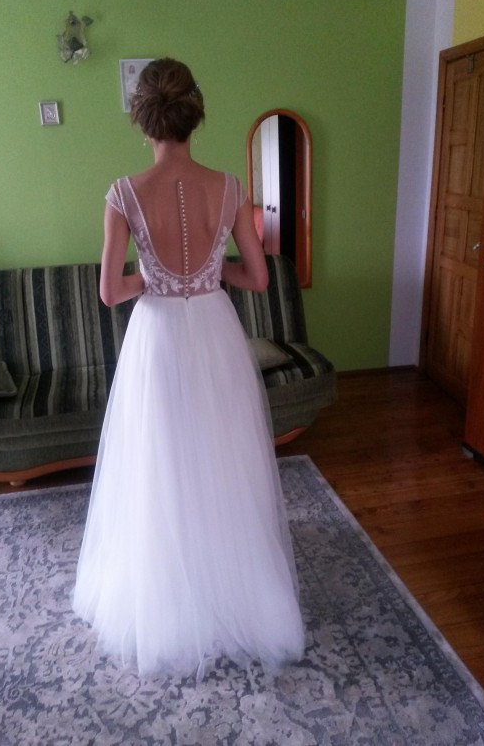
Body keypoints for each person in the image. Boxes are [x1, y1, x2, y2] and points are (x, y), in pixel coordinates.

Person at [72, 58, 305, 680]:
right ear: (194, 113)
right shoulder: (229, 188)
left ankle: (168, 597)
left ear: (142, 118)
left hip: (158, 338)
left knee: (160, 462)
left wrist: (153, 277)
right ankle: (234, 587)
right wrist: (210, 271)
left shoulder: (123, 194)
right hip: (214, 331)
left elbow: (110, 292)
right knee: (221, 459)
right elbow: (258, 278)